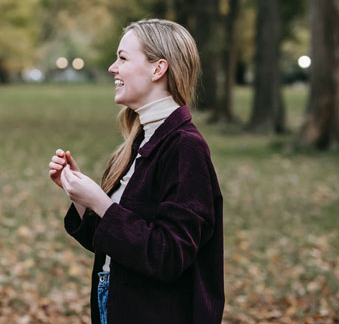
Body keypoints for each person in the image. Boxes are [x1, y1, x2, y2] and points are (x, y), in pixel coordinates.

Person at [48, 19, 224, 323]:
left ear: (158, 69)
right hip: (115, 302)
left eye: (123, 58)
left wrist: (100, 202)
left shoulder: (184, 147)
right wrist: (81, 197)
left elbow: (168, 255)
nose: (112, 68)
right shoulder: (143, 138)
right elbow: (118, 241)